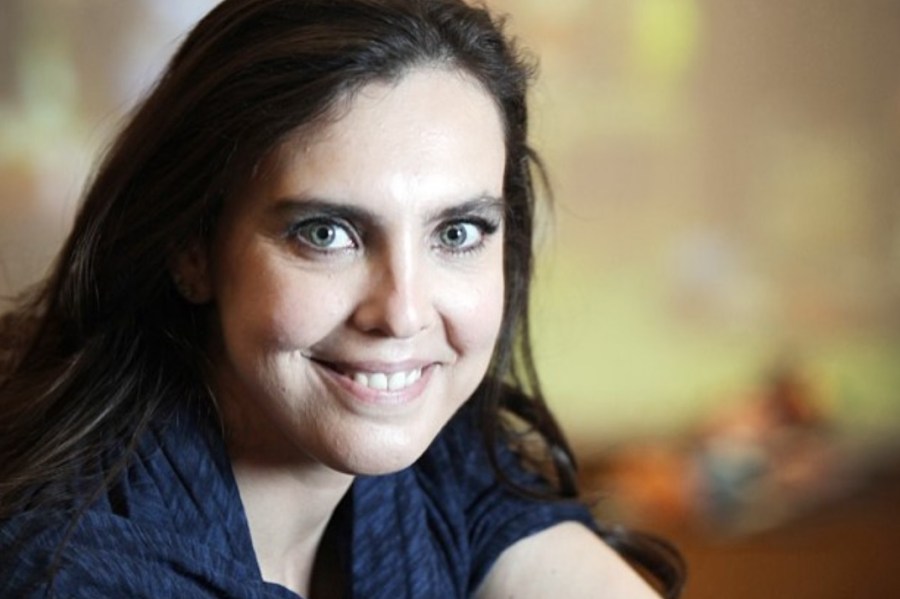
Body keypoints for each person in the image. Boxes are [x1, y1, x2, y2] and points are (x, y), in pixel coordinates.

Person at [0, 1, 684, 597]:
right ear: (193, 249)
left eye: (457, 232)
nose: (403, 313)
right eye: (326, 233)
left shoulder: (438, 471)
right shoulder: (74, 566)